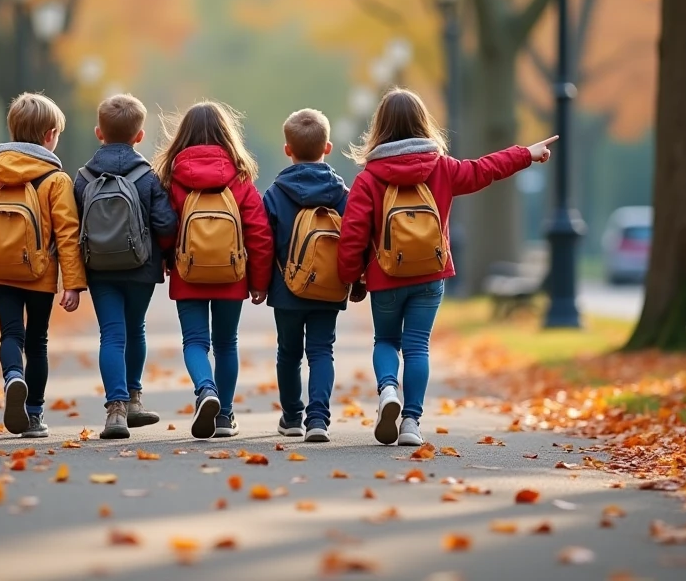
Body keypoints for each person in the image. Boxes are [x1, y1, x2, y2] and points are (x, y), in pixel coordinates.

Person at [337, 88, 556, 447]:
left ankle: (388, 389)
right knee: (417, 346)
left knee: (386, 341)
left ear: (380, 127)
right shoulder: (442, 168)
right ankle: (411, 422)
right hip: (430, 274)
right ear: (423, 123)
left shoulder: (369, 178)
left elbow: (353, 235)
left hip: (386, 276)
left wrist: (351, 278)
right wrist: (525, 155)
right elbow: (484, 170)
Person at [0, 93, 86, 439]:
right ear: (49, 135)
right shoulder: (56, 180)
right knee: (37, 342)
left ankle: (13, 376)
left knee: (10, 334)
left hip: (1, 272)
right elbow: (68, 233)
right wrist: (73, 283)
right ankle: (34, 415)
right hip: (40, 273)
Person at [154, 101, 273, 439]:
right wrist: (259, 282)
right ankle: (225, 416)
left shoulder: (172, 178)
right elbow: (259, 232)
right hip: (231, 274)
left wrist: (166, 257)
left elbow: (165, 225)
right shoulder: (240, 177)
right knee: (226, 344)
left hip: (188, 273)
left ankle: (205, 389)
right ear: (227, 134)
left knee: (194, 341)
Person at [74, 94, 178, 440]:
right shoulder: (148, 177)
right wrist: (165, 256)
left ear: (99, 132)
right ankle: (134, 399)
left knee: (111, 334)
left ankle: (115, 410)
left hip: (99, 267)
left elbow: (72, 226)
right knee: (136, 329)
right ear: (140, 135)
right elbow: (165, 223)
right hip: (141, 266)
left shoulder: (83, 177)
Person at [263, 108, 354, 443]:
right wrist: (355, 280)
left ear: (288, 149)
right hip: (329, 288)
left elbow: (264, 244)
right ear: (327, 147)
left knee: (288, 353)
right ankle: (318, 419)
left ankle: (292, 417)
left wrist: (260, 284)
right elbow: (353, 241)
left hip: (286, 289)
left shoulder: (275, 194)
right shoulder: (342, 195)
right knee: (321, 351)